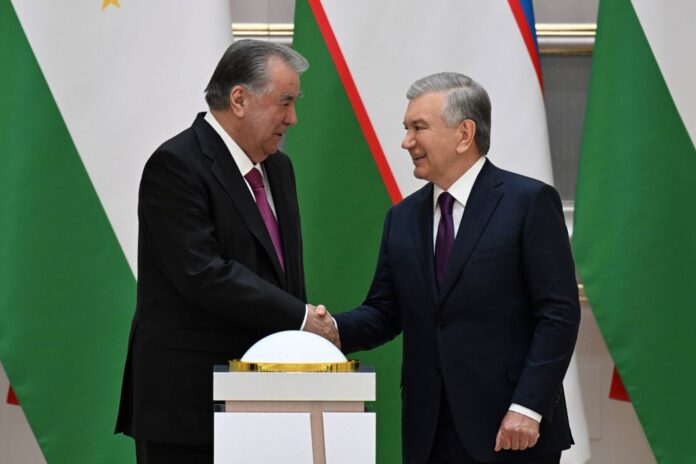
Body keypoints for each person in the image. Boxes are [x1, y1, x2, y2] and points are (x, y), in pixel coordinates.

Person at [333, 73, 580, 463]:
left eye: (418, 128)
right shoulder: (402, 218)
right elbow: (384, 311)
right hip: (429, 432)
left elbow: (558, 314)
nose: (406, 141)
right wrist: (329, 329)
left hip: (511, 429)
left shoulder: (528, 202)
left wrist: (528, 407)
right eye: (406, 128)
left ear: (464, 134)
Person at [115, 39, 338, 463]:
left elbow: (285, 276)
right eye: (285, 102)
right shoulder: (176, 163)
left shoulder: (279, 168)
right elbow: (203, 273)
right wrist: (302, 317)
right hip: (189, 407)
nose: (293, 118)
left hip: (270, 398)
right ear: (239, 99)